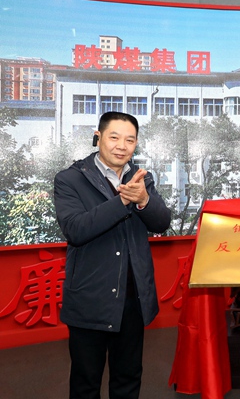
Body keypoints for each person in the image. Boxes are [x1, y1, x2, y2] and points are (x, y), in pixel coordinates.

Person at [54, 111, 171, 398]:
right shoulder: (70, 179)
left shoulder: (141, 179)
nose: (121, 146)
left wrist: (143, 199)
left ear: (136, 143)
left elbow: (161, 223)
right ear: (98, 137)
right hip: (90, 298)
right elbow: (76, 229)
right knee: (86, 382)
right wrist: (123, 201)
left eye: (130, 140)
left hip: (132, 298)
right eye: (114, 137)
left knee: (128, 378)